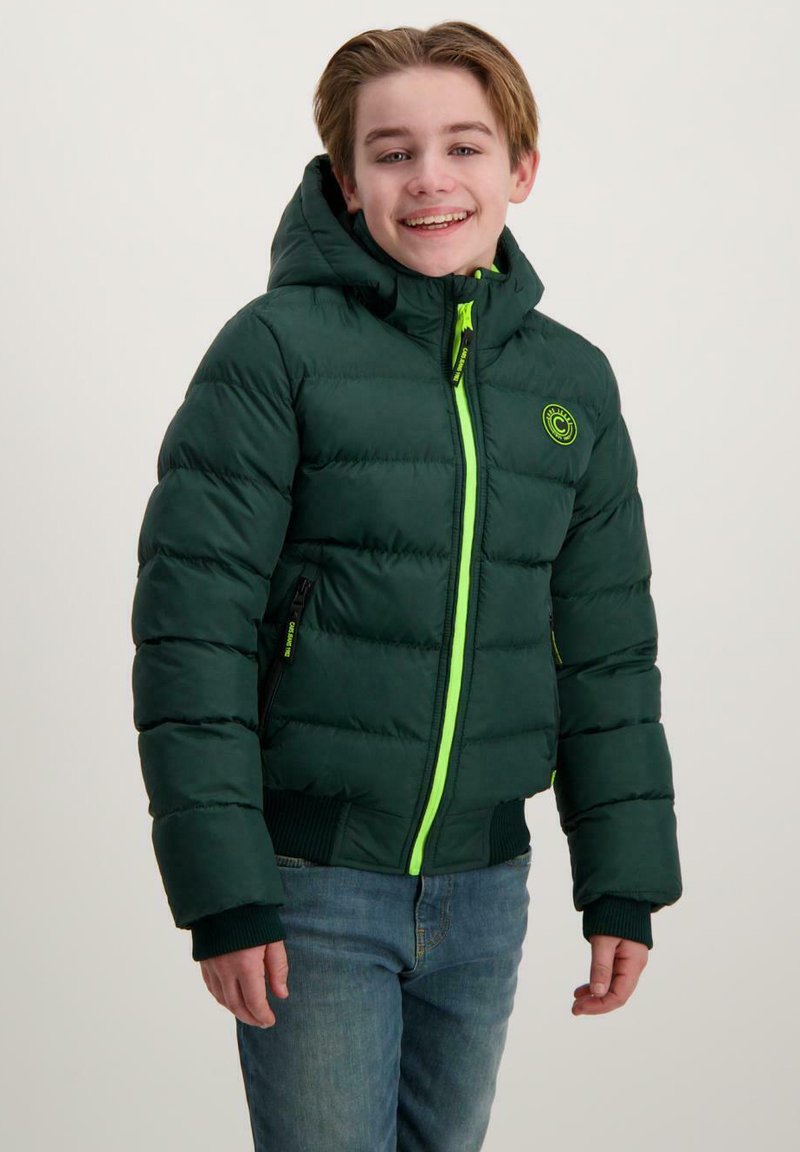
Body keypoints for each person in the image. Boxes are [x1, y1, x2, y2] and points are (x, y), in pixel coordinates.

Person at [131, 20, 682, 1152]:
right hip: (313, 887)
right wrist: (225, 892)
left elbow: (606, 650)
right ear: (347, 182)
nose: (430, 178)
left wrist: (621, 882)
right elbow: (193, 633)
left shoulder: (571, 382)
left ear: (520, 169)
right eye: (391, 153)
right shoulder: (274, 353)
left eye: (464, 147)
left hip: (486, 888)